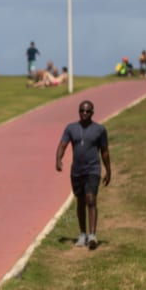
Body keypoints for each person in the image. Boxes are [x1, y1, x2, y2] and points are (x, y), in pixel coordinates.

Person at [55, 100, 111, 251]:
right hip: (77, 171)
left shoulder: (100, 130)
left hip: (93, 169)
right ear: (79, 112)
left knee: (90, 199)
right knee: (80, 201)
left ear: (92, 113)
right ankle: (82, 234)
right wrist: (58, 159)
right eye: (82, 111)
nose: (84, 113)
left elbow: (105, 152)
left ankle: (92, 236)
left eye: (87, 111)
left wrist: (108, 170)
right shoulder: (71, 128)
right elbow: (62, 145)